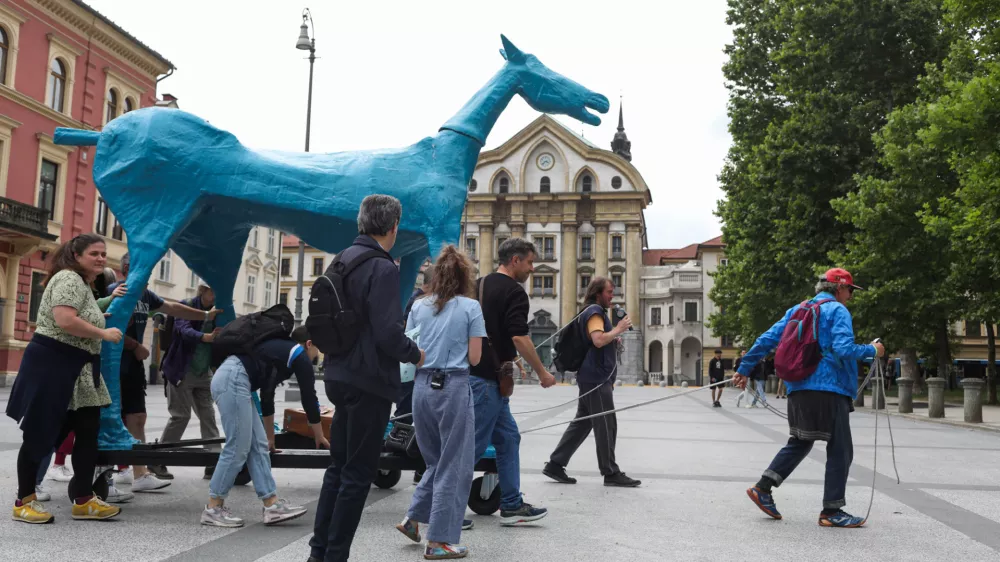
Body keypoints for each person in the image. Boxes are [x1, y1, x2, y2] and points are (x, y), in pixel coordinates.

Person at [310, 194, 424, 562]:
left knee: (338, 470)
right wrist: (416, 354)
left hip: (338, 374)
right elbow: (388, 333)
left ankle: (319, 553)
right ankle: (335, 557)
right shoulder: (382, 267)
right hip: (368, 379)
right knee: (359, 475)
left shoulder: (342, 259)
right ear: (393, 227)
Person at [736, 267, 884, 528]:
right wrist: (872, 349)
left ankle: (763, 488)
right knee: (840, 449)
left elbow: (766, 339)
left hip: (797, 386)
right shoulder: (837, 310)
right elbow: (843, 348)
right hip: (828, 387)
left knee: (801, 441)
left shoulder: (798, 310)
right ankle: (832, 510)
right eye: (850, 289)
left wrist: (744, 368)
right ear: (839, 288)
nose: (850, 295)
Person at [7, 234, 125, 523]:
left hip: (78, 369)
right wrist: (103, 333)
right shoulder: (68, 279)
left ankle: (83, 499)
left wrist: (101, 311)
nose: (100, 258)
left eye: (102, 254)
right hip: (55, 365)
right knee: (42, 434)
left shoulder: (82, 283)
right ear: (76, 255)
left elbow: (80, 313)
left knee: (87, 431)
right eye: (94, 253)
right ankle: (24, 501)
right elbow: (64, 319)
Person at [395, 246, 485, 559]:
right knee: (455, 465)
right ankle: (439, 541)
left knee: (436, 461)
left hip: (421, 388)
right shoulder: (470, 307)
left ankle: (412, 520)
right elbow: (474, 357)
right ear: (465, 278)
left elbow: (409, 348)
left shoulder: (419, 306)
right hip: (453, 387)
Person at [107, 252, 221, 494]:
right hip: (113, 364)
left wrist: (205, 315)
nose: (149, 275)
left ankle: (140, 474)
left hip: (134, 365)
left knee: (137, 418)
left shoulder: (145, 294)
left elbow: (171, 307)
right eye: (146, 270)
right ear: (128, 269)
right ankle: (105, 476)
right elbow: (105, 327)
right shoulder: (114, 291)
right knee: (108, 418)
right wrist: (135, 346)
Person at [201, 325, 327, 527]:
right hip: (234, 379)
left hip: (235, 379)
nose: (317, 355)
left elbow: (267, 397)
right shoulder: (298, 354)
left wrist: (270, 438)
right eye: (318, 349)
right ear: (309, 344)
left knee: (259, 446)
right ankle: (213, 507)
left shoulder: (281, 352)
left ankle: (271, 506)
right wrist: (319, 435)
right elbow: (309, 398)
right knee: (238, 446)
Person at [470, 238, 554, 525]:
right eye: (530, 262)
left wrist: (512, 359)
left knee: (508, 438)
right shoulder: (515, 292)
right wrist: (542, 371)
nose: (532, 268)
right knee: (471, 448)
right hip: (486, 382)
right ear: (515, 260)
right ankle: (438, 509)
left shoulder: (478, 285)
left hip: (478, 375)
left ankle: (511, 503)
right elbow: (519, 336)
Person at [543, 277, 640, 488]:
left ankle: (555, 464)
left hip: (590, 377)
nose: (612, 296)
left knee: (583, 422)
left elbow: (599, 339)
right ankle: (610, 472)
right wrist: (619, 329)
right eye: (609, 292)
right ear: (598, 293)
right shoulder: (595, 311)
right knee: (606, 423)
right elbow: (597, 340)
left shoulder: (591, 311)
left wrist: (612, 337)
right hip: (596, 379)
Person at [153, 284, 223, 480]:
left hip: (204, 373)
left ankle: (212, 462)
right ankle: (157, 460)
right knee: (180, 416)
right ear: (203, 291)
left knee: (208, 416)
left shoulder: (220, 310)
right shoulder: (186, 306)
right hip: (181, 370)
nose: (216, 296)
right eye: (213, 291)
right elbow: (183, 329)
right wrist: (205, 337)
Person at [395, 267, 433, 423]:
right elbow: (404, 330)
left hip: (413, 361)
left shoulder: (416, 299)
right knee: (405, 409)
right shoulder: (416, 302)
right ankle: (398, 441)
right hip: (410, 363)